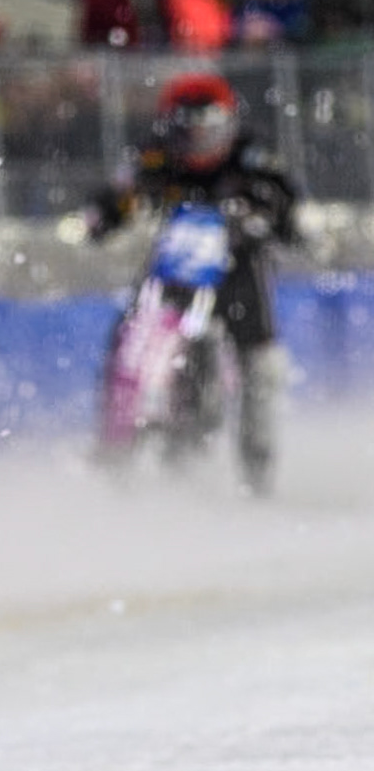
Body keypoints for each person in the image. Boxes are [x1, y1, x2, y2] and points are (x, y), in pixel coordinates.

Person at [86, 72, 298, 493]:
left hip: (239, 270)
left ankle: (258, 467)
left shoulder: (251, 157)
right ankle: (123, 437)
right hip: (176, 267)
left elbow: (284, 204)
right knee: (131, 332)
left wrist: (264, 218)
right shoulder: (157, 158)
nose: (198, 137)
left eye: (207, 126)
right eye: (188, 127)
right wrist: (105, 214)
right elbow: (120, 197)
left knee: (258, 362)